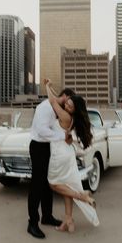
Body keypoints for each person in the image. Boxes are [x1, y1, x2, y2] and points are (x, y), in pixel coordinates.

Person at [45, 78, 99, 232]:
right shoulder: (72, 118)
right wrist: (56, 92)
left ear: (74, 109)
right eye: (67, 102)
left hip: (59, 154)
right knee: (66, 185)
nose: (67, 105)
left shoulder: (65, 116)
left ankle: (82, 196)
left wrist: (47, 86)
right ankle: (68, 221)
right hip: (67, 153)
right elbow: (59, 99)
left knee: (53, 183)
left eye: (70, 105)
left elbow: (52, 101)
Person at [27, 86, 76, 239]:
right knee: (37, 185)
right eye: (68, 102)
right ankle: (32, 223)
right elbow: (42, 130)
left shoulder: (55, 107)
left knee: (48, 183)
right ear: (65, 96)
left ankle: (47, 216)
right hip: (38, 147)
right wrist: (62, 136)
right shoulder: (44, 108)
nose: (68, 106)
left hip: (48, 147)